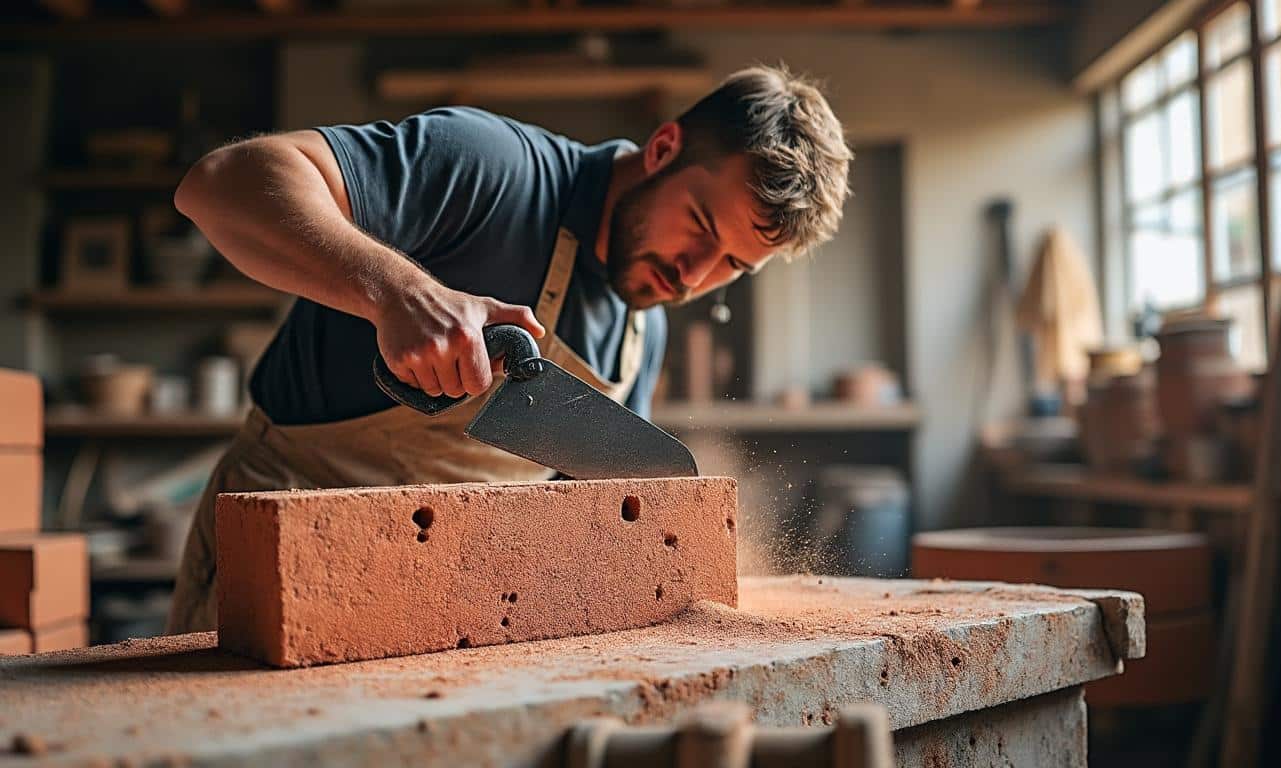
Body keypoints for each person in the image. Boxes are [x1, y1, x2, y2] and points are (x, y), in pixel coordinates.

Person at [165, 65, 852, 633]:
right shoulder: (490, 168)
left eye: (732, 263)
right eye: (701, 225)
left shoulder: (646, 326)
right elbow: (220, 183)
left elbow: (603, 514)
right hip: (286, 552)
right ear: (664, 148)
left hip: (450, 606)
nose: (694, 275)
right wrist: (396, 292)